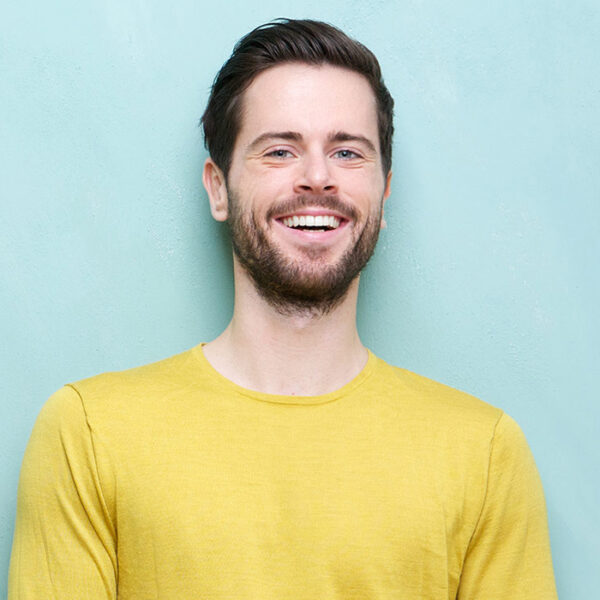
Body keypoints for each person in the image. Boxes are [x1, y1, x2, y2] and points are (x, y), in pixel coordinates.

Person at [9, 18, 557, 599]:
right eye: (279, 151)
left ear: (384, 190)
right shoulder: (88, 434)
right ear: (218, 188)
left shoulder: (485, 452)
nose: (317, 178)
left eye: (347, 152)